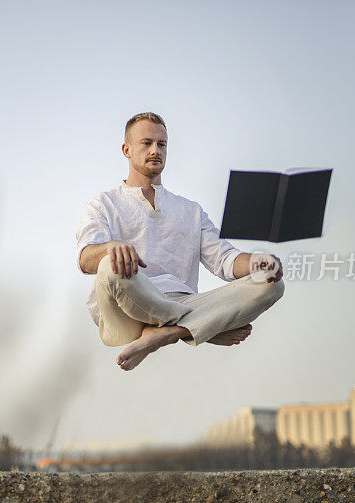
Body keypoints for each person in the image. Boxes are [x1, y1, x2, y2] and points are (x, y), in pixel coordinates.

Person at [76, 112, 285, 371]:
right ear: (126, 149)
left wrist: (258, 262)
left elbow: (225, 260)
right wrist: (110, 248)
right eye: (147, 143)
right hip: (123, 312)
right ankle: (199, 327)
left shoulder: (191, 211)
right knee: (110, 265)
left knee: (271, 283)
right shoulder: (103, 203)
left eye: (161, 144)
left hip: (178, 303)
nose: (155, 150)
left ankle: (167, 333)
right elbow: (86, 260)